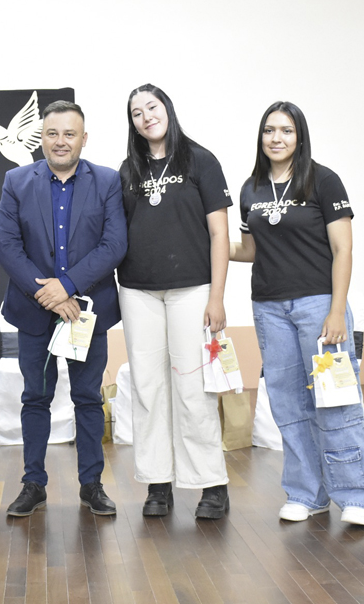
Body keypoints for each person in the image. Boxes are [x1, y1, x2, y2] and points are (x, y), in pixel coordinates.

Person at [229, 101, 364, 526]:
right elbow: (251, 250)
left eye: (285, 130)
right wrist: (207, 245)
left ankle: (359, 496)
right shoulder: (252, 188)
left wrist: (337, 311)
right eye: (268, 130)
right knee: (288, 403)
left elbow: (344, 249)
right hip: (269, 308)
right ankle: (306, 493)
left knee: (335, 401)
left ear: (300, 136)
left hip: (318, 305)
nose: (276, 138)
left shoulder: (323, 180)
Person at [0, 101, 127, 517]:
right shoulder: (16, 180)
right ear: (42, 137)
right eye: (52, 133)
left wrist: (68, 286)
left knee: (89, 399)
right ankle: (33, 483)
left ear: (83, 139)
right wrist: (49, 293)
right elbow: (8, 247)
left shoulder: (107, 182)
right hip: (34, 313)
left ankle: (92, 485)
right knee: (36, 398)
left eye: (70, 134)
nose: (60, 141)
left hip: (87, 313)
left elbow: (114, 245)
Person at [117, 84, 232, 519]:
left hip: (192, 289)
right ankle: (158, 484)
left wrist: (217, 296)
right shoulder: (128, 170)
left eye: (152, 107)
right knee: (147, 388)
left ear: (167, 109)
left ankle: (211, 485)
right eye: (136, 113)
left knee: (192, 388)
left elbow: (220, 233)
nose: (146, 117)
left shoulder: (201, 161)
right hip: (137, 291)